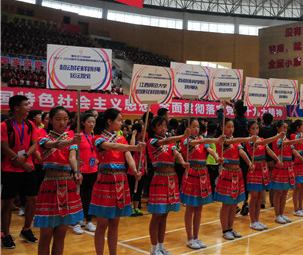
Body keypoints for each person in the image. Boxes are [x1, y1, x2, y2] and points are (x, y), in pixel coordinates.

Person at [89, 108, 145, 255]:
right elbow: (112, 146)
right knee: (102, 224)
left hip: (120, 181)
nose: (121, 123)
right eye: (119, 120)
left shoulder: (121, 138)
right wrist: (134, 147)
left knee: (115, 223)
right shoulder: (99, 138)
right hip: (105, 182)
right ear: (109, 121)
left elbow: (128, 156)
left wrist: (134, 170)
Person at [34, 106, 83, 255]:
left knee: (61, 233)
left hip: (67, 185)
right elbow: (55, 145)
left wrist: (76, 171)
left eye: (65, 119)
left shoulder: (71, 140)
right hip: (50, 185)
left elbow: (72, 157)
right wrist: (70, 141)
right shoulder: (44, 139)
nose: (62, 122)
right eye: (58, 119)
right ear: (50, 120)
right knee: (46, 235)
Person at [1, 95, 39, 249]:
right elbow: (4, 147)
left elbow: (34, 144)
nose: (28, 107)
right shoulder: (4, 125)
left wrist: (25, 157)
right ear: (16, 108)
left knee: (32, 201)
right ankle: (6, 234)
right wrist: (18, 159)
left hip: (28, 167)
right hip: (10, 169)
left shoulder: (30, 125)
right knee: (8, 204)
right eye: (25, 104)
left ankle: (26, 229)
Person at [146, 116, 188, 255]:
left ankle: (161, 246)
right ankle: (153, 248)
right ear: (153, 128)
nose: (164, 128)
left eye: (165, 126)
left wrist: (183, 162)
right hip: (159, 179)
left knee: (165, 215)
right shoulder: (152, 141)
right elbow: (166, 141)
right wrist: (182, 136)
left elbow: (176, 153)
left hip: (171, 179)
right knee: (157, 215)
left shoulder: (170, 143)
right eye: (160, 126)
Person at [180, 118, 223, 249]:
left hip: (203, 174)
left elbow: (210, 149)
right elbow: (203, 142)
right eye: (193, 126)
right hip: (191, 174)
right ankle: (189, 238)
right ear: (187, 128)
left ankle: (196, 236)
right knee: (190, 208)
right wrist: (216, 139)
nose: (196, 129)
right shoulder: (186, 141)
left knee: (199, 208)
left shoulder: (202, 141)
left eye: (198, 127)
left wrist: (217, 157)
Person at [214, 119, 255, 240]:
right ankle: (225, 229)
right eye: (228, 127)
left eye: (232, 127)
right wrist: (248, 139)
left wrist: (249, 162)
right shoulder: (222, 140)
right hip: (227, 173)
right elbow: (235, 141)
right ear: (222, 128)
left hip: (237, 173)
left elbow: (241, 151)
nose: (231, 129)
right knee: (226, 204)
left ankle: (230, 228)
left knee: (234, 203)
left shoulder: (235, 141)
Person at [245, 120, 283, 230]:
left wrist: (277, 158)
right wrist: (276, 137)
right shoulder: (249, 140)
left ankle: (257, 219)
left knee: (260, 196)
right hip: (254, 168)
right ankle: (252, 221)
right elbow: (262, 143)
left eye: (257, 128)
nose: (255, 130)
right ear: (249, 130)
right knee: (254, 196)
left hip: (263, 168)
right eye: (253, 128)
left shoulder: (261, 139)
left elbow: (268, 149)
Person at [74, 113, 98, 234]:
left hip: (93, 170)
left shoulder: (95, 137)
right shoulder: (79, 136)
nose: (91, 124)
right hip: (81, 171)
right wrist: (77, 159)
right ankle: (77, 222)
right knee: (79, 196)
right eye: (89, 122)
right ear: (83, 123)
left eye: (93, 122)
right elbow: (73, 152)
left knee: (89, 196)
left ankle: (88, 220)